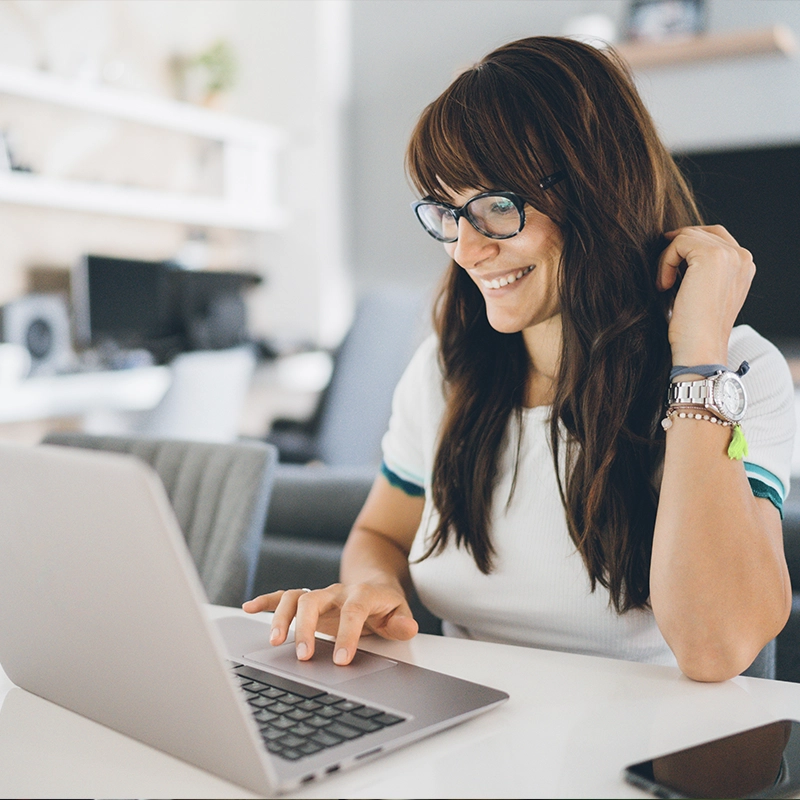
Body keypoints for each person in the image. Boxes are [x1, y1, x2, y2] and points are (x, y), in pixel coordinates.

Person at [244, 36, 795, 682]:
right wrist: (372, 585)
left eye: (499, 207)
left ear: (598, 190)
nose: (465, 250)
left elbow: (716, 650)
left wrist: (699, 360)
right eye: (448, 213)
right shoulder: (445, 374)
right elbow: (379, 536)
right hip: (460, 732)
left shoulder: (739, 374)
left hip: (646, 755)